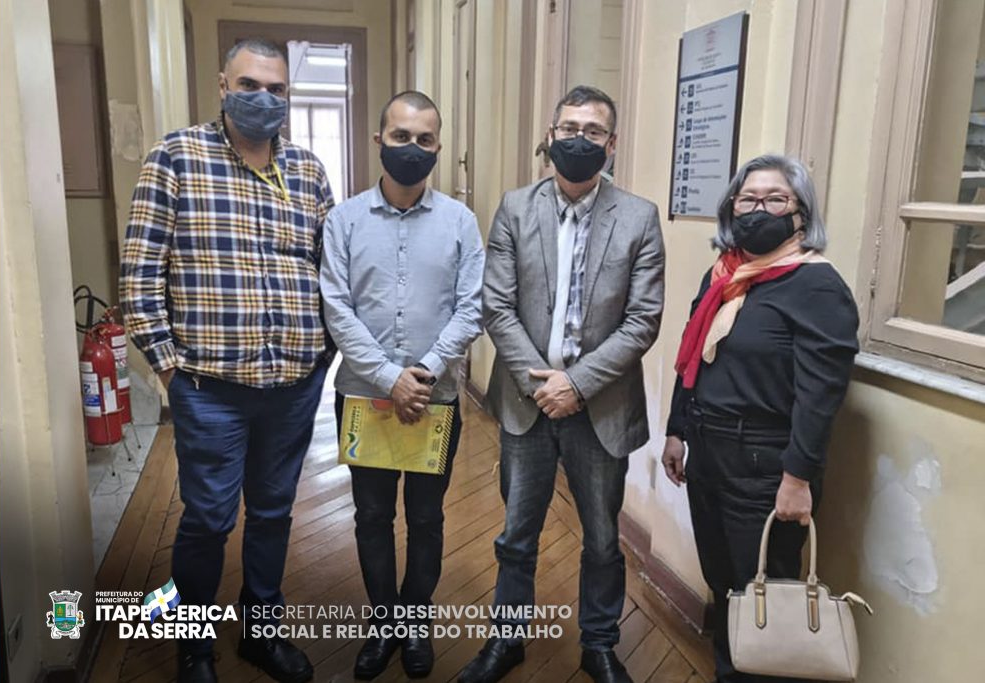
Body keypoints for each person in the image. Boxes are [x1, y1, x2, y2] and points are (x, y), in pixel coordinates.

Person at [120, 38, 334, 683]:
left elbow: (330, 272)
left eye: (276, 89)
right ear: (222, 84)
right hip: (208, 386)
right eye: (249, 85)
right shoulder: (176, 157)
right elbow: (139, 274)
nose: (263, 99)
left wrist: (321, 355)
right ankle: (193, 643)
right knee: (209, 517)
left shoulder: (308, 170)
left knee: (273, 512)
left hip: (294, 384)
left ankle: (260, 633)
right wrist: (168, 368)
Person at [460, 85, 665, 683]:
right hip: (527, 404)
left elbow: (642, 320)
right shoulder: (515, 208)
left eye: (593, 131)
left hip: (600, 406)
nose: (579, 139)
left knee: (602, 539)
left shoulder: (639, 217)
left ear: (612, 144)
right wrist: (540, 383)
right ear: (549, 137)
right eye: (569, 128)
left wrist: (574, 384)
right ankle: (508, 638)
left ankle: (599, 644)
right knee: (516, 534)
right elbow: (496, 306)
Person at [660, 155, 859, 683]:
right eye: (747, 199)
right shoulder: (725, 273)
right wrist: (677, 430)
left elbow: (821, 397)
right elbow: (694, 354)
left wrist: (797, 479)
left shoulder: (817, 287)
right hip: (710, 455)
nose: (758, 209)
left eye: (775, 199)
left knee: (764, 599)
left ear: (800, 213)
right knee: (726, 590)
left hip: (768, 471)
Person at [320, 90, 484, 680]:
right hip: (364, 397)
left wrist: (426, 370)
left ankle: (415, 623)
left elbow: (472, 307)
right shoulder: (343, 220)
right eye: (400, 137)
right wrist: (391, 377)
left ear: (438, 146)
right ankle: (382, 624)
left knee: (426, 518)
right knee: (370, 517)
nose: (412, 149)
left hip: (434, 399)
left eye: (424, 140)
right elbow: (337, 308)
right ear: (379, 140)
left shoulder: (461, 222)